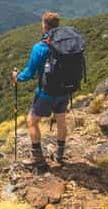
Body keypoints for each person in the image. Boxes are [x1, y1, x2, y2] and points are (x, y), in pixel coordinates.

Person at [11, 11, 68, 169]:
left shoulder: (40, 47)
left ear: (44, 26)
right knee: (61, 120)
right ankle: (60, 154)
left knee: (32, 121)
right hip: (65, 91)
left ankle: (38, 158)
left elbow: (29, 73)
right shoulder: (66, 44)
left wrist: (17, 77)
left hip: (46, 93)